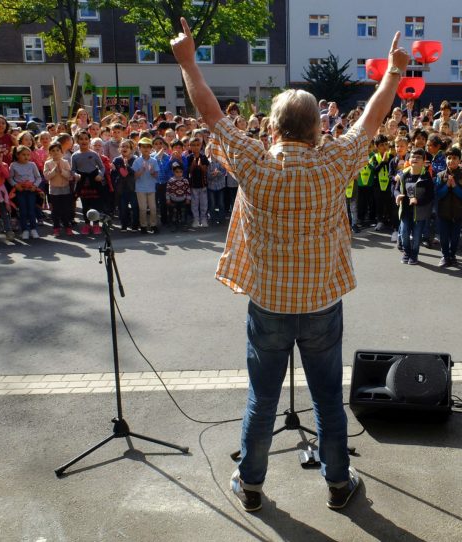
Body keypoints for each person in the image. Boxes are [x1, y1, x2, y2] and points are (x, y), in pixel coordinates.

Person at [171, 18, 408, 511]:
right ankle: (339, 485)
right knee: (327, 400)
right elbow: (370, 121)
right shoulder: (333, 162)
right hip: (321, 302)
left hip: (269, 304)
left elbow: (212, 115)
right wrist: (393, 73)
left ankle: (252, 486)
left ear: (274, 127)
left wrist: (189, 62)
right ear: (317, 128)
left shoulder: (254, 162)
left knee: (262, 400)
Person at [394, 148, 434, 265]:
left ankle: (414, 254)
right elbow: (396, 189)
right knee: (405, 233)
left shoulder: (426, 176)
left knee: (417, 236)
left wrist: (418, 201)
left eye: (418, 157)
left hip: (419, 212)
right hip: (405, 210)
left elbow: (430, 195)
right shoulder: (403, 175)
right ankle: (406, 252)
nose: (415, 159)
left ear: (423, 161)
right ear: (409, 159)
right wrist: (397, 196)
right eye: (413, 156)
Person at [435, 146, 462, 267]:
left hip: (457, 212)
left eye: (455, 158)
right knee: (444, 237)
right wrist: (447, 187)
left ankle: (452, 255)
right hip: (443, 212)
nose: (451, 161)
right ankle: (445, 256)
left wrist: (454, 187)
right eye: (449, 158)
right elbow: (437, 194)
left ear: (459, 160)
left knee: (455, 238)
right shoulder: (440, 176)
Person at [9, 145, 43, 240]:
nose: (26, 157)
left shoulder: (32, 165)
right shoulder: (13, 165)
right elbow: (10, 178)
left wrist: (35, 186)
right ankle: (25, 230)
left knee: (31, 210)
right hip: (20, 191)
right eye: (23, 154)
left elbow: (38, 177)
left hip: (31, 191)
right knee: (23, 211)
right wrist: (16, 185)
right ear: (17, 155)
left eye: (28, 155)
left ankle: (33, 229)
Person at [43, 142, 75, 236]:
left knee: (65, 209)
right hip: (54, 189)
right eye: (53, 151)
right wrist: (54, 171)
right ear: (50, 153)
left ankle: (67, 227)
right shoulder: (48, 163)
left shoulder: (65, 162)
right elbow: (46, 177)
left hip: (65, 189)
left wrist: (62, 171)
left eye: (58, 150)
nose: (56, 152)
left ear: (62, 152)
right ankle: (56, 228)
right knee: (55, 210)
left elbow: (69, 176)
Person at [132, 137, 160, 234]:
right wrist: (141, 171)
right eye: (143, 147)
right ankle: (143, 226)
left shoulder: (154, 161)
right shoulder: (137, 161)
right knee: (143, 208)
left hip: (151, 188)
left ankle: (153, 225)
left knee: (153, 208)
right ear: (139, 148)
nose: (146, 149)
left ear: (151, 148)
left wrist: (152, 172)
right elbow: (134, 176)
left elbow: (157, 176)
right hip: (140, 188)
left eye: (148, 147)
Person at [166, 161, 191, 231]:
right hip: (173, 200)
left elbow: (188, 190)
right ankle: (174, 225)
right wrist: (168, 199)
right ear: (173, 172)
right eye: (177, 172)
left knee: (183, 213)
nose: (179, 173)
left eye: (180, 172)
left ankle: (184, 225)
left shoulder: (185, 181)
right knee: (174, 214)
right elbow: (168, 190)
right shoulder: (171, 181)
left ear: (182, 172)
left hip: (183, 200)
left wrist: (188, 199)